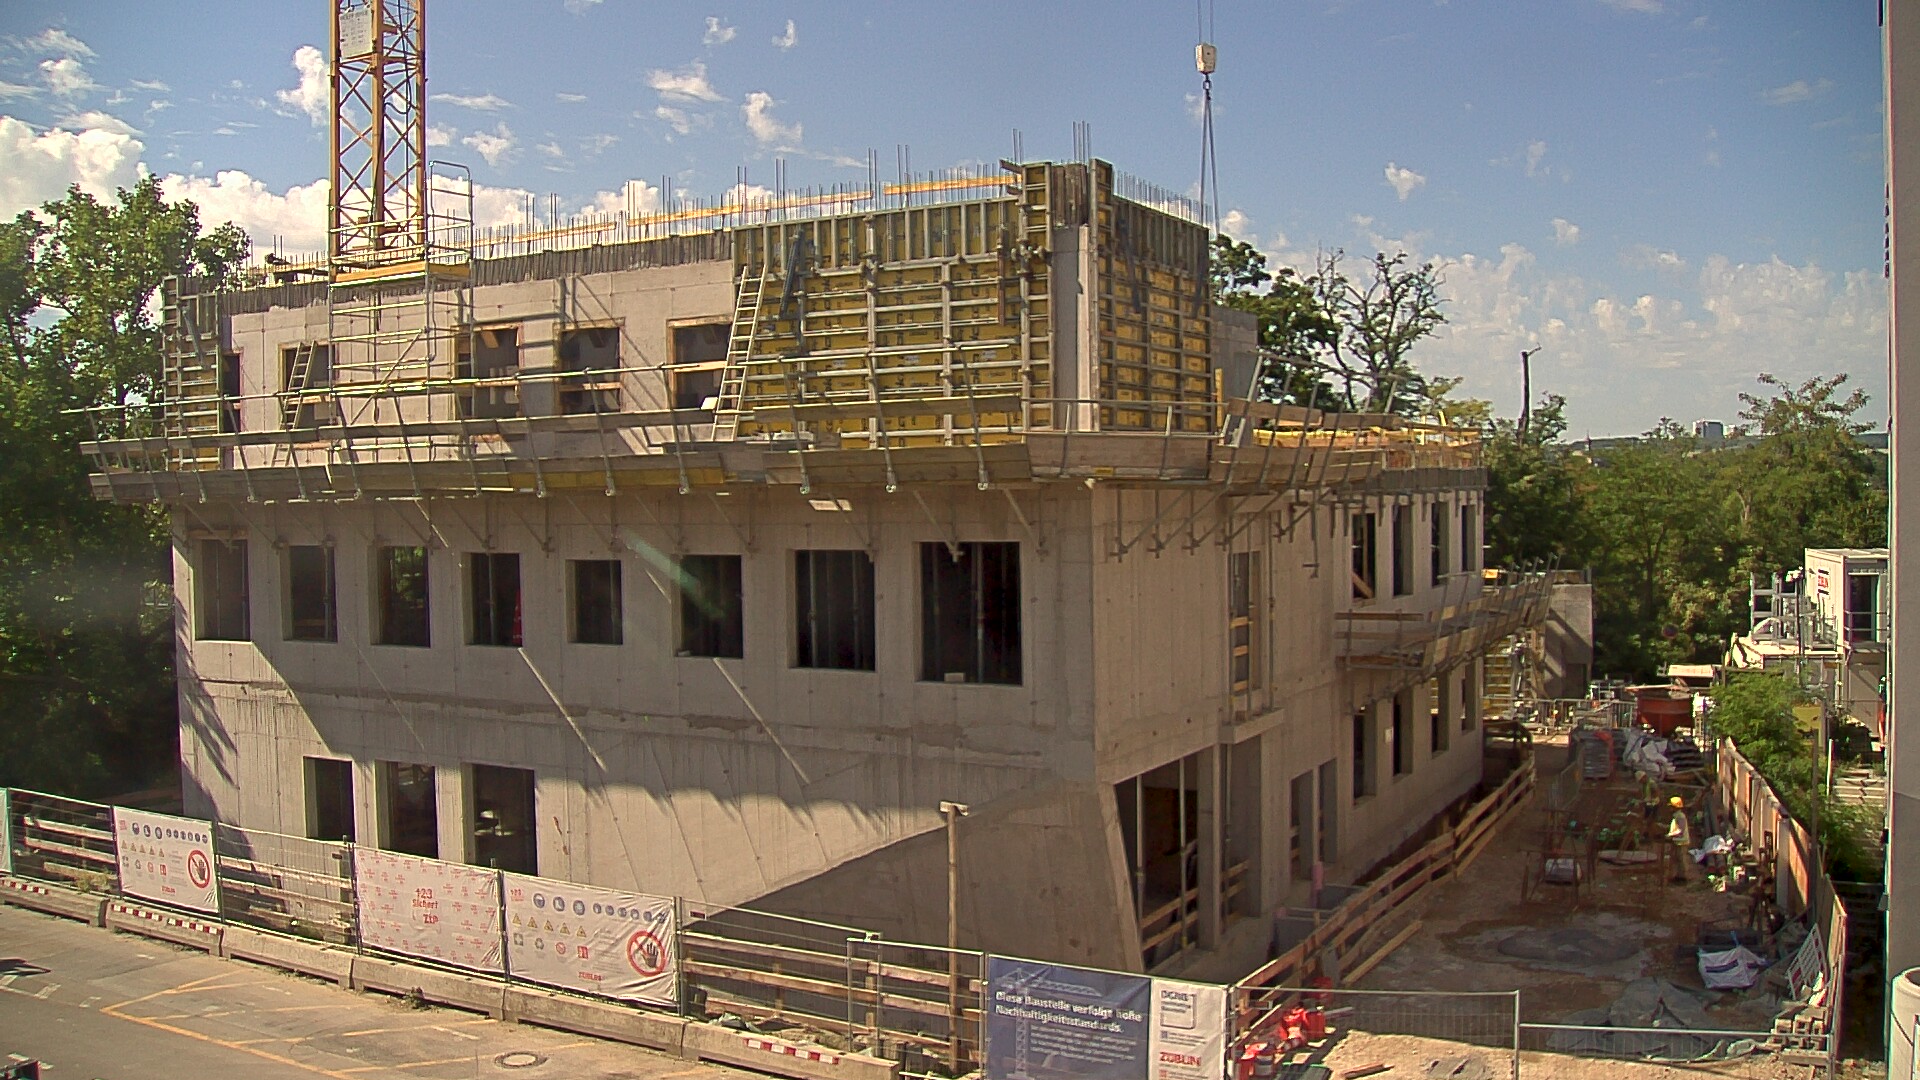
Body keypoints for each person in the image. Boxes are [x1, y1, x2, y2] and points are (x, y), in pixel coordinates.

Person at [1666, 795, 1692, 883]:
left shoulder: (1680, 816)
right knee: (1677, 859)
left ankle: (1684, 878)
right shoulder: (1676, 816)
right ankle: (1679, 876)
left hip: (1682, 842)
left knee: (1682, 860)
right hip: (1677, 841)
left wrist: (1670, 835)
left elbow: (1680, 830)